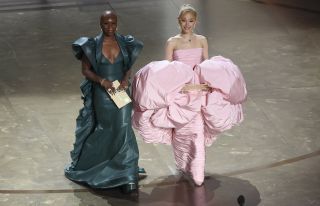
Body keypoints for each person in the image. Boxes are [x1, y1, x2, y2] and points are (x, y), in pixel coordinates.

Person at [132, 4, 247, 186]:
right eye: (184, 21)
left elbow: (206, 66)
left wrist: (207, 85)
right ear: (179, 21)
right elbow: (168, 71)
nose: (187, 24)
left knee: (197, 132)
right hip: (182, 94)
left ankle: (197, 172)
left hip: (199, 93)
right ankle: (185, 164)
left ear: (196, 22)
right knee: (182, 133)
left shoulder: (202, 40)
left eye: (191, 21)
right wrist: (183, 87)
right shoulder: (172, 42)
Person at [64, 10, 144, 193]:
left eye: (113, 23)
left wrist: (125, 78)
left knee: (124, 126)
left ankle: (128, 174)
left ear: (117, 24)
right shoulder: (91, 45)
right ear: (101, 24)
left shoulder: (124, 43)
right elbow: (86, 70)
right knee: (105, 128)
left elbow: (127, 65)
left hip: (119, 90)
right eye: (106, 24)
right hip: (102, 91)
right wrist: (102, 81)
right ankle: (94, 165)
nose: (110, 27)